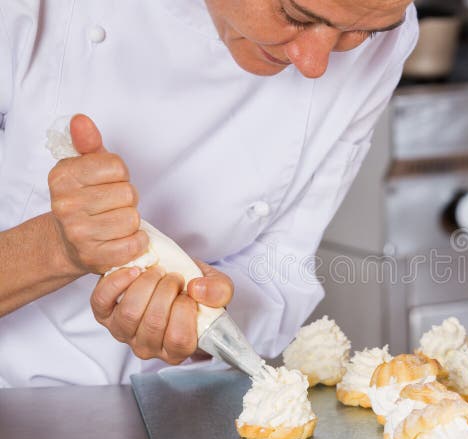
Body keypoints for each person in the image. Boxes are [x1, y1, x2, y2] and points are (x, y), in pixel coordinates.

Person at [0, 0, 418, 387]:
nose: (314, 63)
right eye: (295, 14)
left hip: (170, 409)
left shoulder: (382, 21)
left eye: (361, 33)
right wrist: (54, 249)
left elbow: (276, 271)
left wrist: (192, 322)